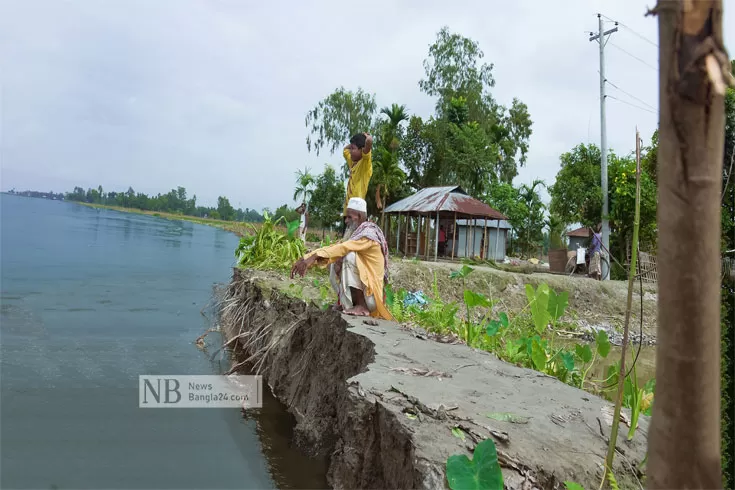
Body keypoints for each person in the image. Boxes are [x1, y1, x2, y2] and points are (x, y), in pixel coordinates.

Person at [291, 197, 392, 320]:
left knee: (349, 256)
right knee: (333, 260)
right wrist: (305, 258)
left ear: (359, 216)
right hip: (367, 293)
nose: (346, 221)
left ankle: (361, 306)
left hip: (371, 298)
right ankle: (345, 303)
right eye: (346, 217)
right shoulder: (357, 234)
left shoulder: (368, 235)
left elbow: (344, 248)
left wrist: (314, 257)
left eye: (349, 217)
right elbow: (336, 247)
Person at [340, 132, 373, 237]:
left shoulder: (365, 163)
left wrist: (367, 138)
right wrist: (353, 143)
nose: (351, 151)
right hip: (348, 210)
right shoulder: (352, 161)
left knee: (353, 241)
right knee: (345, 240)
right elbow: (345, 150)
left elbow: (369, 143)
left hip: (357, 212)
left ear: (361, 150)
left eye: (353, 149)